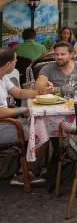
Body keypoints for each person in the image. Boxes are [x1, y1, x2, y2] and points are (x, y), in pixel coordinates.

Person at [0, 48, 53, 186]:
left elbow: (18, 92)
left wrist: (39, 92)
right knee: (41, 130)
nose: (17, 62)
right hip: (3, 125)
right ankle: (23, 174)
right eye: (15, 60)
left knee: (42, 125)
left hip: (7, 123)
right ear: (7, 65)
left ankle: (32, 166)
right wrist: (22, 109)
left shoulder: (3, 77)